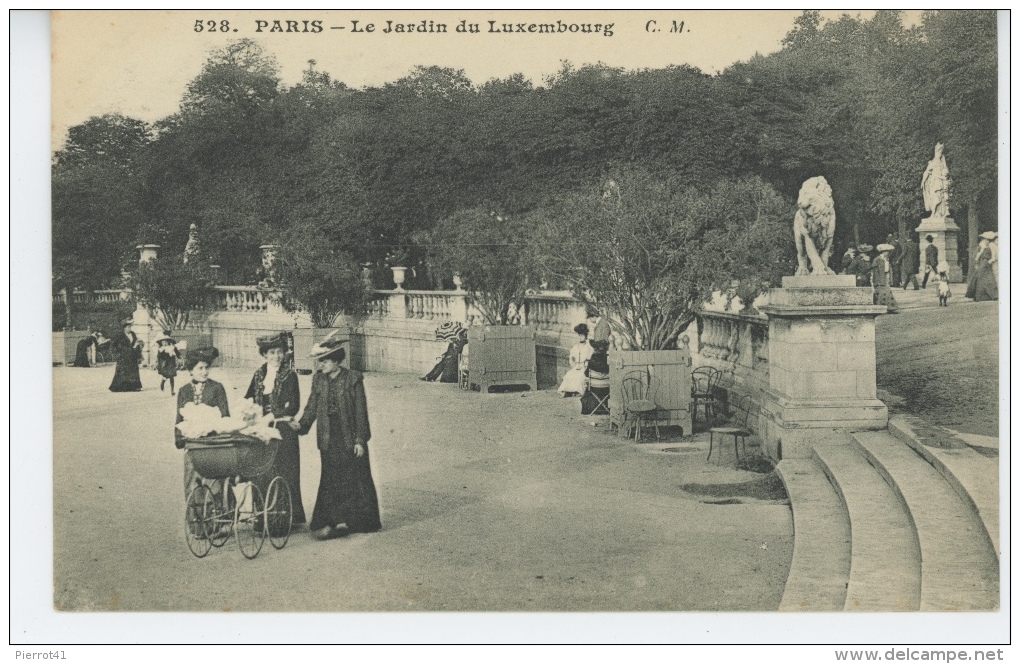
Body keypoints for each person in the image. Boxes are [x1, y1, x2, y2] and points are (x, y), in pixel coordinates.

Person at [289, 336, 381, 540]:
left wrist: (360, 440)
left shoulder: (353, 379)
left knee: (354, 477)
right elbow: (312, 406)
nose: (321, 365)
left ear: (337, 362)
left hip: (349, 436)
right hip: (328, 436)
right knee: (331, 478)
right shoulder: (319, 379)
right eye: (320, 361)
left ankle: (356, 522)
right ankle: (333, 521)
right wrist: (301, 424)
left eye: (325, 361)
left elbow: (360, 412)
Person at [244, 332, 307, 529]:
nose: (277, 356)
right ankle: (262, 517)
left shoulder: (290, 375)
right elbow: (248, 399)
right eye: (272, 352)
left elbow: (294, 405)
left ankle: (285, 518)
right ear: (264, 354)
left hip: (283, 431)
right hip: (262, 430)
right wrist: (248, 412)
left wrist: (273, 415)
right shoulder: (258, 374)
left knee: (284, 472)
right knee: (262, 471)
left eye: (280, 352)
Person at [175, 347, 230, 502]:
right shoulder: (184, 390)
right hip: (192, 443)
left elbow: (225, 415)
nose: (204, 372)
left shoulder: (217, 388)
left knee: (214, 481)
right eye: (200, 368)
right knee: (191, 481)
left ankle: (218, 513)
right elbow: (179, 417)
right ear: (191, 370)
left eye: (207, 368)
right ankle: (195, 519)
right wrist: (179, 438)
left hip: (213, 442)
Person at [557, 323, 593, 397]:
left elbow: (590, 358)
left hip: (585, 367)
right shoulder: (575, 347)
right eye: (579, 335)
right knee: (570, 375)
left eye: (582, 336)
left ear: (586, 336)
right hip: (576, 366)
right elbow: (572, 358)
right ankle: (566, 391)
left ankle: (579, 391)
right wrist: (573, 362)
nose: (580, 337)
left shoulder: (589, 347)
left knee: (580, 376)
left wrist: (585, 363)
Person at [108, 319, 144, 392]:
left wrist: (138, 350)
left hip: (132, 355)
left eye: (130, 327)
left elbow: (135, 343)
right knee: (122, 371)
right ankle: (121, 387)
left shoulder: (133, 334)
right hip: (123, 356)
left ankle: (134, 386)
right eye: (128, 327)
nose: (129, 328)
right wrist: (117, 354)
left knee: (133, 371)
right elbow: (113, 345)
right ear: (124, 328)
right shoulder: (119, 335)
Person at [965, 232, 999, 302]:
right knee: (983, 278)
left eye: (987, 239)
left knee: (986, 278)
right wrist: (977, 262)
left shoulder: (988, 246)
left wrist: (988, 261)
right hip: (983, 263)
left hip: (986, 263)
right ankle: (984, 295)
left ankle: (985, 296)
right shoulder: (982, 246)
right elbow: (977, 256)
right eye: (985, 239)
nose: (986, 241)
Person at [581, 340, 611, 415]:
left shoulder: (592, 361)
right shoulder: (609, 360)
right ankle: (606, 408)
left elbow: (586, 373)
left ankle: (591, 408)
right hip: (607, 389)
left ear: (595, 350)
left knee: (587, 387)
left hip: (595, 388)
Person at [872, 244, 899, 313]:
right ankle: (881, 308)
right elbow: (876, 271)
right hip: (880, 279)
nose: (888, 253)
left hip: (885, 278)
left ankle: (889, 308)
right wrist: (877, 280)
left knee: (887, 292)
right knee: (882, 293)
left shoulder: (885, 259)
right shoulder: (877, 259)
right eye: (886, 252)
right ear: (883, 252)